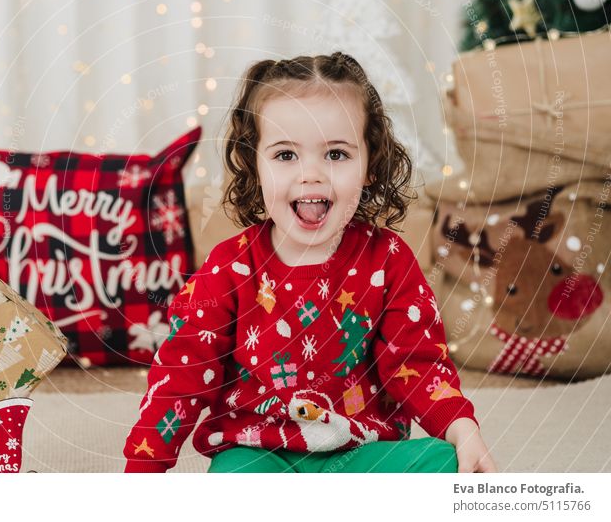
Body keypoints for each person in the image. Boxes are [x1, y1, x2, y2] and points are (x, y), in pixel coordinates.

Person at [123, 52, 497, 473]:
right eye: (286, 155)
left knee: (444, 463)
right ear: (255, 164)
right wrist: (144, 472)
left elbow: (417, 361)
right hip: (258, 452)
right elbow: (182, 374)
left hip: (361, 452)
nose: (312, 174)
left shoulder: (389, 260)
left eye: (336, 155)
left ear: (369, 165)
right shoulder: (227, 268)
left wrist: (463, 428)